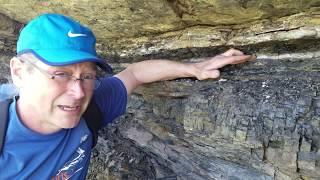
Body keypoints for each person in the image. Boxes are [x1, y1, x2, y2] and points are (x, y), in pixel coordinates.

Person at [0, 13, 255, 179]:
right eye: (60, 74)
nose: (78, 93)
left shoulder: (90, 107)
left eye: (88, 76)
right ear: (19, 72)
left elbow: (134, 74)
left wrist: (194, 68)